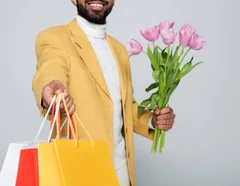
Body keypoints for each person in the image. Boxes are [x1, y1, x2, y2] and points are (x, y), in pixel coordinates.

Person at [30, 0, 175, 185]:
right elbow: (51, 66)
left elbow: (123, 107)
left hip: (122, 171)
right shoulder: (55, 37)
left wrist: (153, 120)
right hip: (81, 170)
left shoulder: (119, 50)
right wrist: (51, 85)